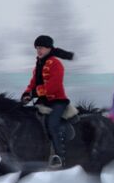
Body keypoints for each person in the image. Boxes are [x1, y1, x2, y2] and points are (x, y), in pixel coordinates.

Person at [21, 35, 74, 169]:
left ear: (49, 48)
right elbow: (33, 83)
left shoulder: (56, 63)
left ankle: (59, 156)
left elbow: (54, 85)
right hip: (43, 102)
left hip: (57, 101)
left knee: (52, 124)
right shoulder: (38, 65)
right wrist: (27, 94)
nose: (39, 50)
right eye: (37, 48)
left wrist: (35, 93)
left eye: (42, 48)